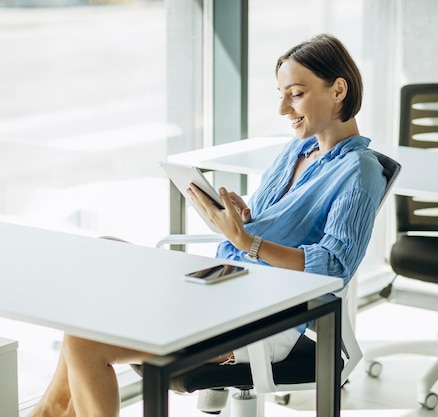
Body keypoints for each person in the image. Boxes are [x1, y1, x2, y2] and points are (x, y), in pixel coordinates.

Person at [29, 33, 386, 417]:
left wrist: (245, 240)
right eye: (280, 93)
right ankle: (49, 411)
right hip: (227, 284)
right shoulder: (298, 149)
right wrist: (245, 215)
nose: (283, 108)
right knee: (103, 250)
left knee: (84, 341)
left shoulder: (360, 170)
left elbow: (334, 265)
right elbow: (277, 227)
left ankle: (48, 412)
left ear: (338, 90)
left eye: (295, 93)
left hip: (267, 317)